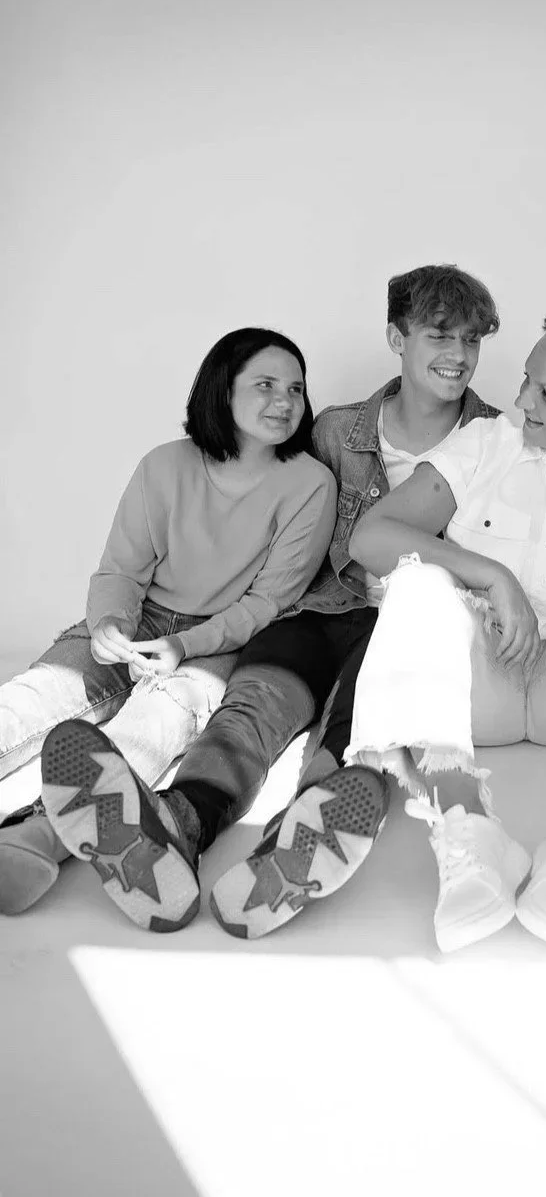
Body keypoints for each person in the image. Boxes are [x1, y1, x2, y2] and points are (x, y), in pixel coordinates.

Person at [224, 303, 546, 952]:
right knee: (415, 581)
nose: (522, 401)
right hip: (477, 689)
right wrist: (491, 576)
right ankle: (467, 830)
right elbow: (372, 537)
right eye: (525, 381)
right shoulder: (487, 444)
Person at [37, 265, 502, 934]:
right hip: (316, 612)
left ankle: (302, 834)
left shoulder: (495, 437)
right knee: (249, 708)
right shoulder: (335, 432)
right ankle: (177, 823)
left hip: (413, 624)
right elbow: (278, 527)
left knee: (360, 722)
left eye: (472, 341)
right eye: (439, 335)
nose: (457, 355)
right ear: (397, 339)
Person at [0, 327, 336, 923]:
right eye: (265, 385)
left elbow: (266, 602)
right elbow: (121, 570)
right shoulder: (164, 464)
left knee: (152, 724)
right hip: (141, 616)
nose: (284, 401)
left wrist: (185, 646)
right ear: (221, 389)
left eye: (296, 389)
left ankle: (31, 838)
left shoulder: (310, 483)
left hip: (220, 641)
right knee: (36, 695)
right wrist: (109, 624)